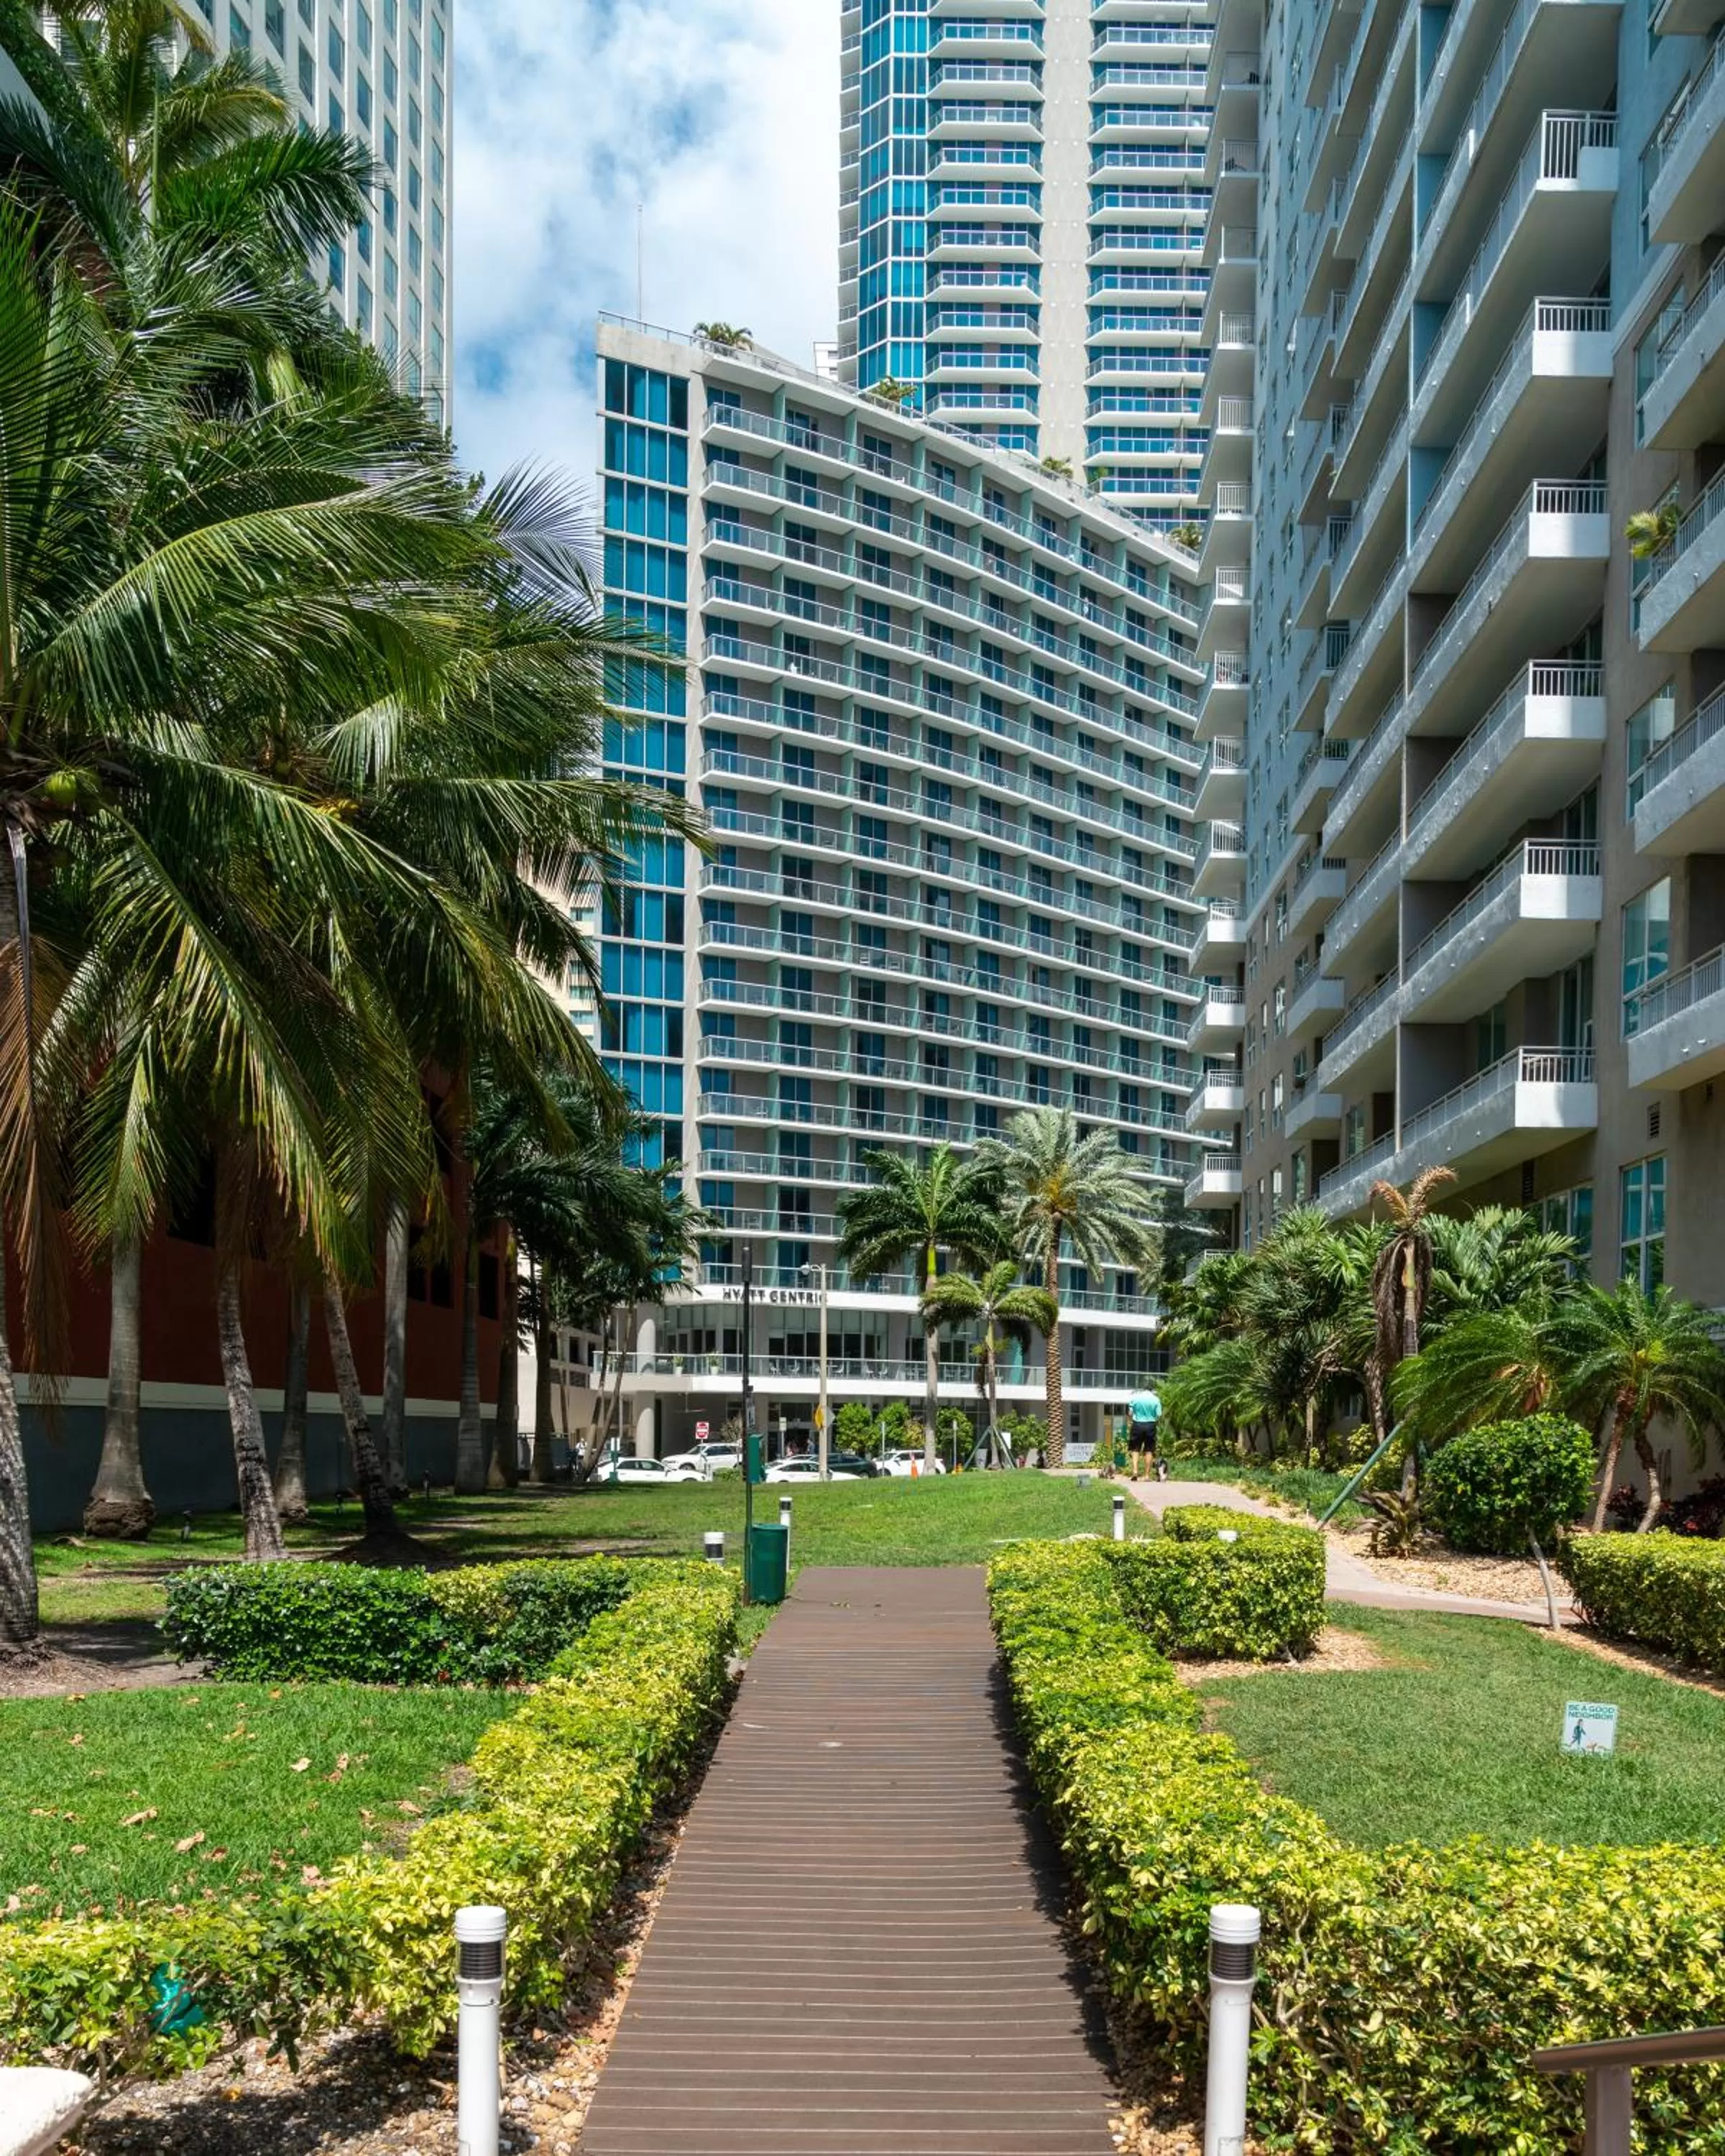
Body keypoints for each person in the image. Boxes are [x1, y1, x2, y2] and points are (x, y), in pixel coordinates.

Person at [1128, 1388, 1165, 1480]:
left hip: (1137, 1425)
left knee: (1135, 1449)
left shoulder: (1135, 1398)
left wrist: (1134, 1418)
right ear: (1151, 1391)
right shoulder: (1156, 1399)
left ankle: (1135, 1471)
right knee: (1149, 1450)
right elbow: (1159, 1415)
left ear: (1143, 1391)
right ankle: (1147, 1476)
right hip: (1151, 1425)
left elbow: (1130, 1413)